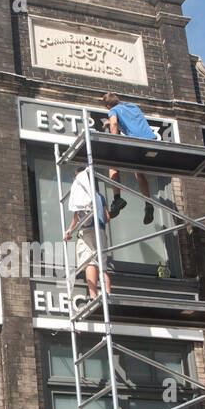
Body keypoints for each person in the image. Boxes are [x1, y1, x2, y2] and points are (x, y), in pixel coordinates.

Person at [101, 92, 156, 224]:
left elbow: (114, 123)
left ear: (108, 106)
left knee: (113, 165)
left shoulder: (113, 110)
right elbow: (132, 122)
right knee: (139, 173)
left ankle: (117, 198)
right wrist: (109, 123)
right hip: (151, 143)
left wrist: (114, 141)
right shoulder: (133, 107)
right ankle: (148, 203)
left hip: (136, 143)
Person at [62, 161, 111, 300]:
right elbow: (107, 217)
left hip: (88, 231)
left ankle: (93, 295)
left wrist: (69, 231)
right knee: (102, 264)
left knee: (89, 262)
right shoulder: (99, 195)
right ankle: (107, 292)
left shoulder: (82, 193)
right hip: (100, 230)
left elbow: (77, 216)